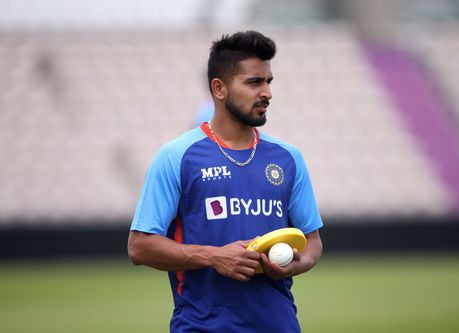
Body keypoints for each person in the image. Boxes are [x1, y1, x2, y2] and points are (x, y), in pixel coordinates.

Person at [128, 30, 323, 333]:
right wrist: (214, 257)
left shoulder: (289, 157)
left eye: (269, 82)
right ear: (219, 88)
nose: (267, 93)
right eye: (254, 82)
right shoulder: (177, 157)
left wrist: (298, 263)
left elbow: (313, 242)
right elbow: (139, 247)